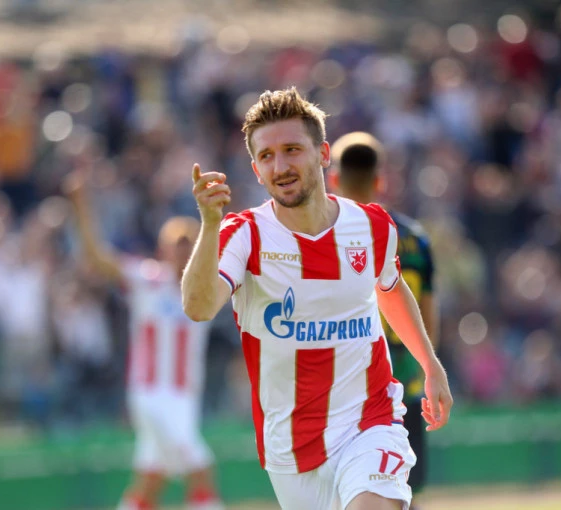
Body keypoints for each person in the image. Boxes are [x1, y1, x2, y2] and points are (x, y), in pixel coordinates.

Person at [182, 87, 453, 510]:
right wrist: (209, 225)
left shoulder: (372, 226)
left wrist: (429, 364)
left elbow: (389, 287)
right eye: (267, 156)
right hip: (290, 449)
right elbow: (198, 307)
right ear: (256, 170)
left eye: (292, 150)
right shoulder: (245, 235)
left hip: (371, 421)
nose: (280, 166)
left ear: (323, 153)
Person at [65, 173, 224, 510]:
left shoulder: (207, 289)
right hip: (151, 394)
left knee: (151, 479)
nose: (183, 252)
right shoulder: (148, 280)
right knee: (200, 468)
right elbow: (98, 257)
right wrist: (80, 206)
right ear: (163, 250)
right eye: (177, 245)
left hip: (185, 397)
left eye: (189, 245)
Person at [328, 132, 437, 510]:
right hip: (405, 377)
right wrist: (427, 367)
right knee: (401, 489)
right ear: (380, 180)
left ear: (333, 179)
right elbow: (426, 310)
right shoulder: (414, 238)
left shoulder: (326, 236)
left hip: (349, 382)